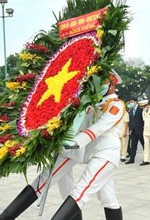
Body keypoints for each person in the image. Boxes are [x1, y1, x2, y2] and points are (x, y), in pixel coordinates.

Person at [51, 71, 125, 219]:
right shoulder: (93, 104)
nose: (98, 85)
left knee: (81, 191)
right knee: (108, 198)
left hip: (107, 152)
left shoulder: (116, 105)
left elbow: (100, 127)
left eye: (102, 82)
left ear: (112, 85)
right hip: (93, 151)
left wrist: (76, 141)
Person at [125, 97, 145, 164]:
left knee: (144, 145)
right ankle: (131, 159)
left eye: (132, 102)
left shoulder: (141, 109)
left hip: (140, 130)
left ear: (136, 102)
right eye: (130, 102)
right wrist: (130, 129)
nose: (130, 103)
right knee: (133, 146)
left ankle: (146, 158)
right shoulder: (130, 111)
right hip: (133, 131)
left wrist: (143, 128)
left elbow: (143, 120)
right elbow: (131, 121)